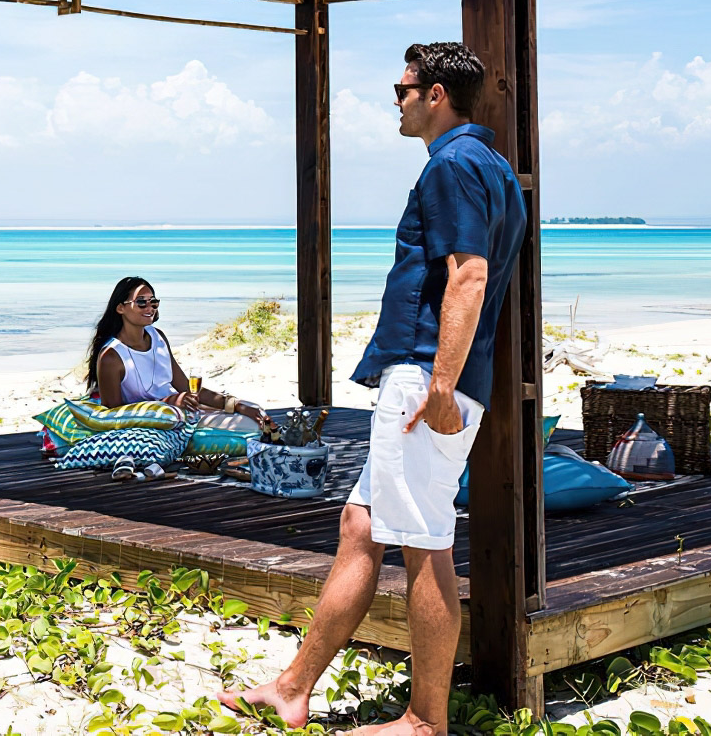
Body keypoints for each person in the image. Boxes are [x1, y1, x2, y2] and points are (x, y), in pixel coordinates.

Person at [220, 42, 528, 735]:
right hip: (431, 375)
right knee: (360, 526)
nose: (396, 99)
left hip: (427, 378)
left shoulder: (452, 165)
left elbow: (469, 275)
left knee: (424, 542)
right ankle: (293, 688)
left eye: (404, 88)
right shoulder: (494, 167)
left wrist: (442, 384)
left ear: (437, 96)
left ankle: (424, 722)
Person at [86, 276, 266, 429]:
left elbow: (187, 388)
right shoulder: (112, 356)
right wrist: (166, 403)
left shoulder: (158, 337)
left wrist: (234, 404)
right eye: (141, 302)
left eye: (153, 302)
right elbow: (113, 416)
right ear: (120, 308)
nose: (150, 307)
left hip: (182, 411)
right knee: (250, 426)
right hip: (159, 423)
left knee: (253, 409)